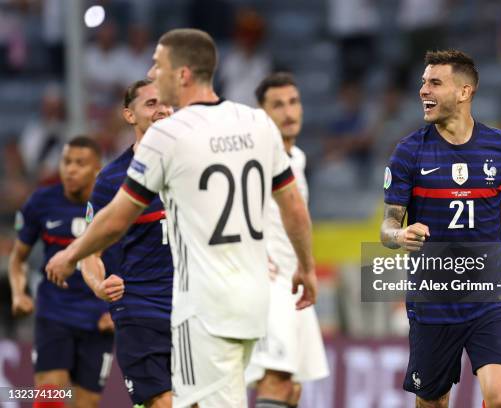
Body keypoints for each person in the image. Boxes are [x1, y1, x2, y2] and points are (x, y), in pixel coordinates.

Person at [45, 28, 317, 408]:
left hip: (201, 304)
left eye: (159, 65)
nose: (154, 71)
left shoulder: (169, 136)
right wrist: (306, 266)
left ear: (183, 74)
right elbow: (293, 207)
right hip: (252, 298)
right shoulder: (254, 123)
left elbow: (115, 219)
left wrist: (70, 255)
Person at [380, 50, 501, 408]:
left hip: (489, 293)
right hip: (433, 299)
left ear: (464, 92)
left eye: (434, 82)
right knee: (433, 401)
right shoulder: (408, 152)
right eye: (422, 82)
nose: (423, 90)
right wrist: (398, 236)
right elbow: (388, 225)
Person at [80, 79, 174, 407]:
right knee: (164, 402)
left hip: (194, 307)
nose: (162, 109)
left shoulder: (194, 169)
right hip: (141, 309)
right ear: (129, 115)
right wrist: (98, 285)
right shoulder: (111, 182)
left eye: (166, 103)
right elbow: (89, 252)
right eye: (150, 104)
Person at [8, 136, 113, 408]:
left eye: (80, 163)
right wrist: (19, 293)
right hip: (55, 315)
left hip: (98, 322)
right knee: (50, 394)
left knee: (85, 403)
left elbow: (133, 261)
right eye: (67, 162)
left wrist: (118, 310)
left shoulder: (115, 208)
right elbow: (18, 258)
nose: (71, 169)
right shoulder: (42, 201)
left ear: (97, 169)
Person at [245, 73, 329, 408]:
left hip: (293, 283)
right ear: (262, 113)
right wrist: (249, 253)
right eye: (277, 105)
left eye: (293, 102)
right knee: (275, 382)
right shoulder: (254, 159)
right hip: (268, 285)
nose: (288, 111)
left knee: (292, 388)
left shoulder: (297, 158)